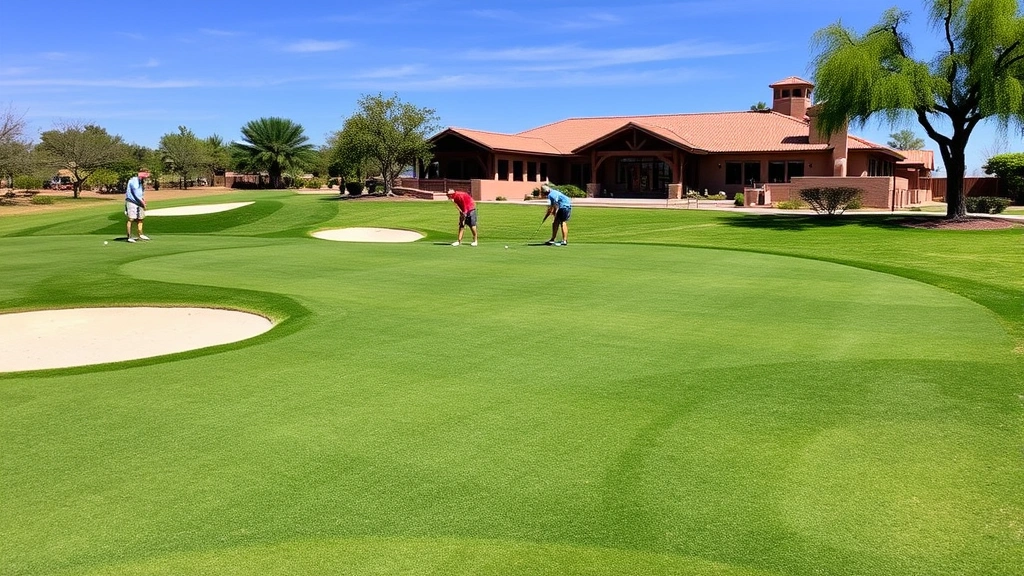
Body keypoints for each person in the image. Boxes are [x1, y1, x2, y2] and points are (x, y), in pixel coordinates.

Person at [125, 170, 150, 242]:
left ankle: (140, 234)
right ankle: (129, 237)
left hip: (139, 202)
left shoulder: (140, 181)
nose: (145, 178)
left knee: (140, 218)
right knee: (131, 219)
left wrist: (143, 201)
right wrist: (143, 204)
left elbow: (141, 194)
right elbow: (136, 195)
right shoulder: (134, 181)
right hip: (132, 201)